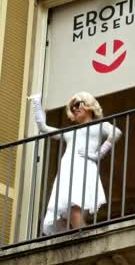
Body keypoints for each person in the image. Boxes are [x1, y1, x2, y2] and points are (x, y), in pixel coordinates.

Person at [29, 92, 122, 236]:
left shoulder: (100, 125)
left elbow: (116, 132)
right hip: (67, 171)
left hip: (83, 168)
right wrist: (36, 104)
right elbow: (43, 128)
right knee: (67, 214)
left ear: (89, 105)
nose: (75, 109)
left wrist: (99, 154)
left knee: (74, 211)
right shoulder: (70, 132)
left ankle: (85, 241)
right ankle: (79, 240)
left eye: (78, 104)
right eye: (72, 108)